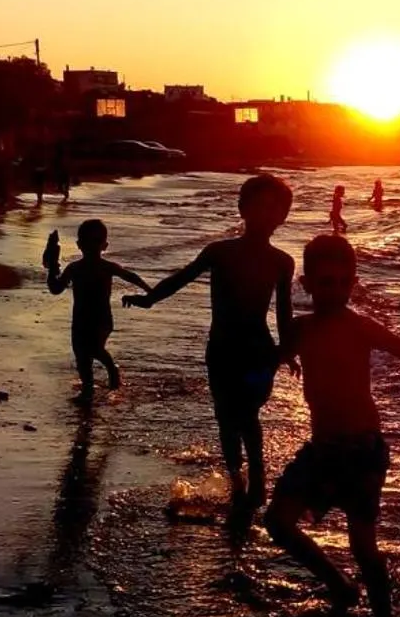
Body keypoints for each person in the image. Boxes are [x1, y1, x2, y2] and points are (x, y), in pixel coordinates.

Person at [264, 233, 400, 617]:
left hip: (362, 450)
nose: (335, 290)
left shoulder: (360, 327)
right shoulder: (300, 330)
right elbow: (270, 360)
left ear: (353, 283)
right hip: (321, 449)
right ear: (307, 285)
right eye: (325, 282)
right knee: (278, 522)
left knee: (363, 546)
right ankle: (339, 585)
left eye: (344, 282)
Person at [124, 174, 296, 518]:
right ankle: (237, 481)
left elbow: (284, 310)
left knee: (246, 414)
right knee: (224, 417)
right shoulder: (220, 252)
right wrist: (150, 299)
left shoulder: (282, 261)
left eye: (274, 209)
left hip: (259, 352)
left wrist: (288, 350)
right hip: (221, 351)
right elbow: (182, 277)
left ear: (283, 216)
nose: (265, 215)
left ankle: (258, 475)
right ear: (242, 209)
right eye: (258, 206)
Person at [45, 219, 148, 405]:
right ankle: (87, 388)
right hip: (80, 321)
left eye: (96, 241)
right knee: (81, 355)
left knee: (95, 348)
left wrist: (150, 291)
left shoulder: (107, 267)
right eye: (87, 242)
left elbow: (130, 276)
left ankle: (112, 370)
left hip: (102, 320)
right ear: (79, 245)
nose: (92, 246)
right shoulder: (74, 268)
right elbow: (56, 288)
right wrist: (52, 267)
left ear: (104, 245)